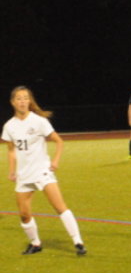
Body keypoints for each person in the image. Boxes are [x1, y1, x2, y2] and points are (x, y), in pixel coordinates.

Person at [2, 86, 87, 255]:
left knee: (60, 207)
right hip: (23, 175)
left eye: (25, 98)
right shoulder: (9, 126)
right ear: (13, 102)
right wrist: (12, 170)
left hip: (42, 171)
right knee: (24, 214)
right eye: (19, 98)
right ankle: (35, 244)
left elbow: (59, 141)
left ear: (30, 101)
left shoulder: (39, 121)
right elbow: (11, 150)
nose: (22, 101)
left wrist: (55, 160)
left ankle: (78, 242)